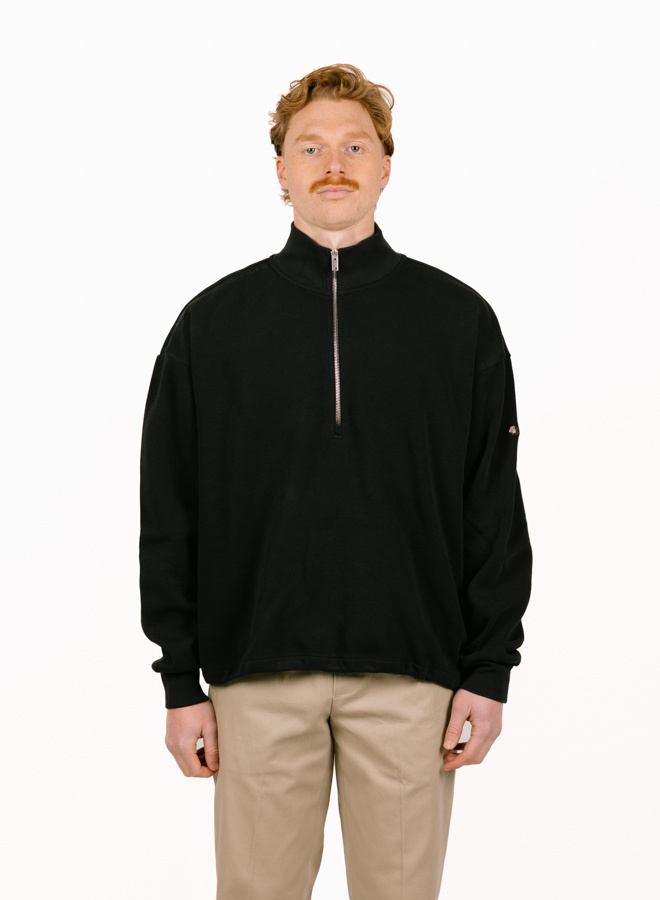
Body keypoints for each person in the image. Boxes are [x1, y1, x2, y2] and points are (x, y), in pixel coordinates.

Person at [139, 63, 533, 900]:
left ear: (387, 166)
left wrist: (488, 669)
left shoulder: (457, 321)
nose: (334, 164)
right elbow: (170, 510)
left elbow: (492, 506)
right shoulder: (212, 327)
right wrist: (180, 680)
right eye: (310, 147)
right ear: (280, 169)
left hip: (414, 677)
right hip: (254, 676)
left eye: (356, 146)